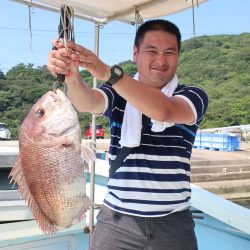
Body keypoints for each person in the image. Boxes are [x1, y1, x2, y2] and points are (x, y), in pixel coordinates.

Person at [48, 19, 208, 250]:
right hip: (116, 221)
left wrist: (108, 72)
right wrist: (71, 74)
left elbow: (164, 110)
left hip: (173, 222)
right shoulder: (117, 92)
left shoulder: (193, 95)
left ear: (178, 56)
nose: (161, 60)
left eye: (169, 52)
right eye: (151, 50)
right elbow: (88, 102)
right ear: (135, 53)